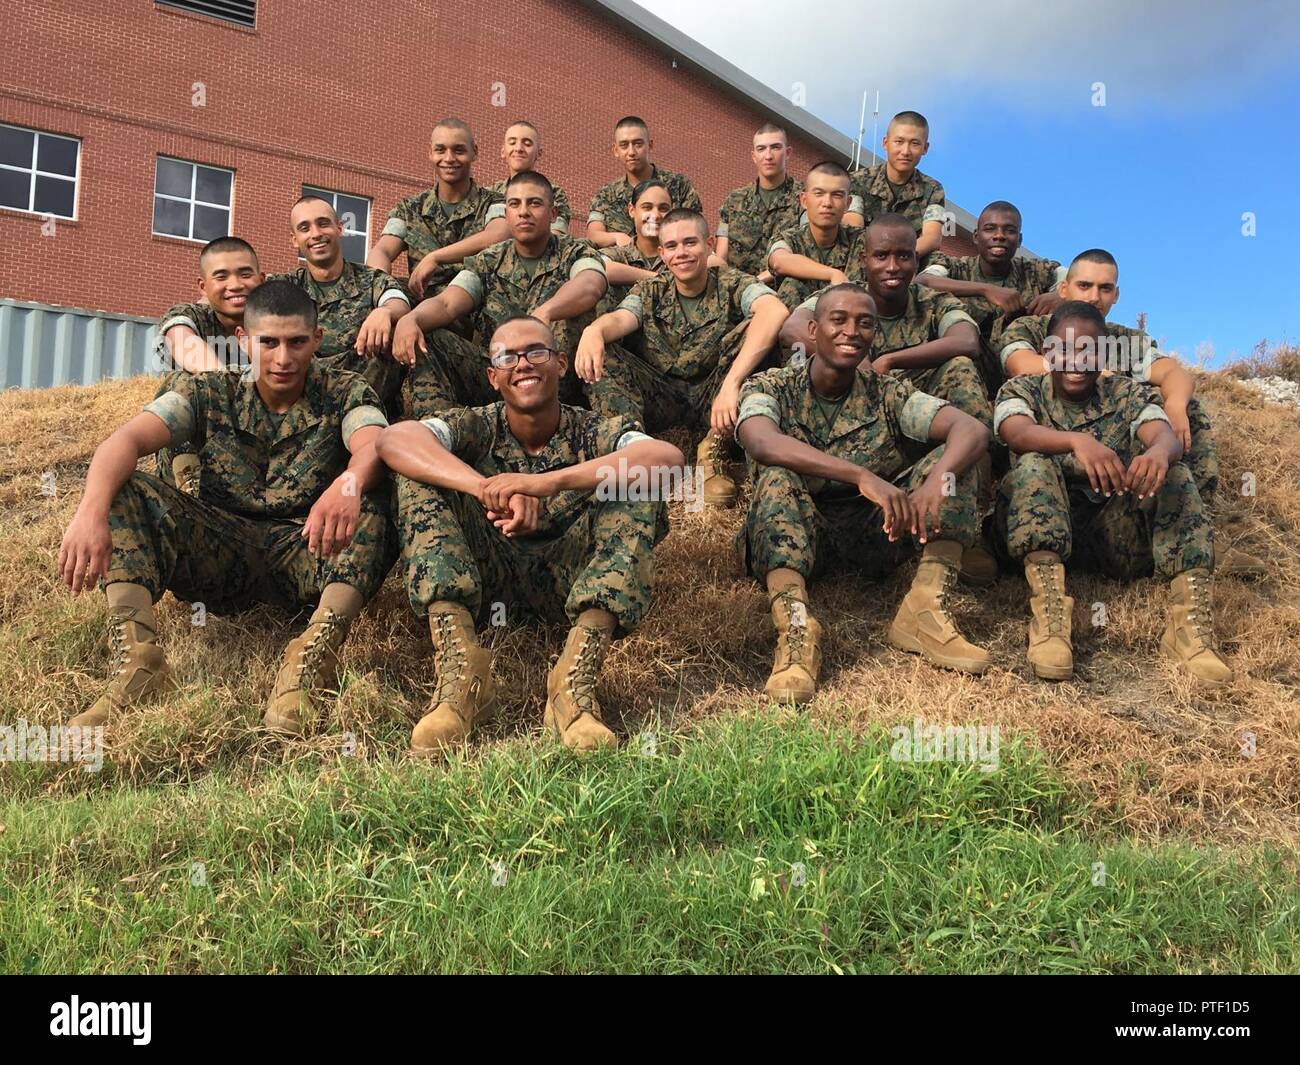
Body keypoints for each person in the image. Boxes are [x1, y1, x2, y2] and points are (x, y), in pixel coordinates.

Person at [57, 281, 396, 735]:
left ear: (316, 340)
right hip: (222, 551)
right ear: (243, 341)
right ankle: (140, 665)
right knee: (121, 488)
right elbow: (128, 440)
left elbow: (373, 442)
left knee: (375, 493)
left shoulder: (344, 391)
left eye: (297, 342)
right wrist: (90, 511)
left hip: (309, 551)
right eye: (268, 342)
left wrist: (349, 484)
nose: (282, 358)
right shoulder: (211, 393)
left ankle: (310, 658)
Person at [377, 315, 683, 753]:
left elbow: (666, 459)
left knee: (636, 482)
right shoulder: (475, 426)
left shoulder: (595, 430)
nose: (522, 364)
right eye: (507, 356)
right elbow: (395, 441)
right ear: (492, 375)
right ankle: (462, 678)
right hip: (484, 578)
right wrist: (484, 487)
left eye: (536, 352)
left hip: (571, 578)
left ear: (560, 364)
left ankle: (573, 687)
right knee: (417, 477)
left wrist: (547, 483)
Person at [736, 283, 994, 699]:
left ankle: (923, 608)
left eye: (865, 323)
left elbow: (972, 428)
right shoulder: (771, 386)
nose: (852, 331)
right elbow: (760, 440)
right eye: (839, 320)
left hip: (879, 533)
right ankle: (796, 630)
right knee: (776, 474)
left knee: (952, 468)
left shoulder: (887, 393)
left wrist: (933, 481)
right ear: (814, 330)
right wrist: (861, 475)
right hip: (801, 535)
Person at [993, 301, 1232, 685]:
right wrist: (1076, 442)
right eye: (1063, 348)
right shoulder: (1021, 389)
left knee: (1175, 472)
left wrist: (1158, 451)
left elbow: (1161, 432)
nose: (1074, 359)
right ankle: (1051, 626)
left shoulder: (1123, 392)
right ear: (1046, 352)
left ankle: (1189, 630)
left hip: (1111, 535)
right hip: (1036, 530)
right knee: (1034, 463)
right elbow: (1015, 432)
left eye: (1087, 348)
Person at [577, 208, 789, 507]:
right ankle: (634, 450)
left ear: (709, 244)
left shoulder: (731, 283)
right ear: (662, 253)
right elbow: (623, 318)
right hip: (661, 397)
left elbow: (774, 310)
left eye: (690, 242)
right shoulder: (652, 289)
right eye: (673, 246)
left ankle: (713, 450)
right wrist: (594, 330)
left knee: (762, 336)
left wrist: (732, 384)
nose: (682, 253)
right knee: (605, 353)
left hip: (715, 399)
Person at [392, 171, 609, 414]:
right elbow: (447, 304)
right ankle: (436, 433)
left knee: (599, 341)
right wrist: (411, 319)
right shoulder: (489, 260)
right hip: (501, 379)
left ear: (553, 214)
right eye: (514, 204)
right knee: (428, 338)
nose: (523, 211)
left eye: (534, 203)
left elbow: (591, 283)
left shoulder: (576, 252)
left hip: (558, 380)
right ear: (506, 215)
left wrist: (545, 313)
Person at [267, 195, 410, 413]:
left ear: (340, 229)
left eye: (323, 223)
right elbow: (227, 301)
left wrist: (384, 312)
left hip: (366, 404)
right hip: (304, 407)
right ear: (295, 239)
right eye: (305, 228)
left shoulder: (370, 280)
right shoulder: (285, 286)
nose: (316, 234)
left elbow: (398, 302)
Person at [153, 237, 264, 494]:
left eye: (245, 274)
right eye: (221, 277)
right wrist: (233, 390)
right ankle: (190, 486)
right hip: (206, 439)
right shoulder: (192, 316)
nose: (235, 285)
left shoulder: (276, 320)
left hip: (260, 439)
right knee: (183, 384)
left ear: (262, 279)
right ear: (203, 286)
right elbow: (182, 342)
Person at [916, 200, 1062, 390]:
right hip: (965, 376)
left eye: (1009, 230)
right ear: (976, 236)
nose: (999, 236)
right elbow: (923, 281)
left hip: (1022, 374)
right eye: (990, 229)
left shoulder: (1038, 272)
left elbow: (1081, 277)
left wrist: (1061, 295)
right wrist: (985, 289)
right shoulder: (955, 267)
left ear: (1019, 240)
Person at [367, 118, 506, 299]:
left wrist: (435, 257)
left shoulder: (494, 203)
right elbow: (381, 251)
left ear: (474, 152)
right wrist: (384, 291)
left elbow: (498, 235)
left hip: (475, 308)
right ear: (430, 153)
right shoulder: (410, 209)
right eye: (440, 150)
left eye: (459, 150)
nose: (449, 159)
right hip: (420, 305)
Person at [844, 110, 947, 264]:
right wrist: (882, 259)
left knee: (938, 263)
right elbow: (853, 228)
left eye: (915, 143)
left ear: (925, 148)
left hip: (909, 259)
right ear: (885, 143)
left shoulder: (932, 189)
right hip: (866, 257)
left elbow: (932, 238)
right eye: (899, 142)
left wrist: (897, 259)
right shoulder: (858, 181)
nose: (905, 151)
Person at [585, 116, 701, 249]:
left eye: (638, 144)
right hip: (621, 265)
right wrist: (617, 237)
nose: (631, 152)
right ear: (615, 150)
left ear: (650, 145)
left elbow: (695, 230)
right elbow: (593, 235)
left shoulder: (679, 185)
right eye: (624, 145)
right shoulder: (606, 194)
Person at [767, 160, 867, 310]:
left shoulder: (863, 241)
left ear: (848, 203)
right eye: (819, 193)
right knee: (792, 285)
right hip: (795, 326)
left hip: (849, 323)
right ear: (804, 200)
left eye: (837, 195)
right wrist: (833, 274)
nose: (827, 203)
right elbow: (779, 261)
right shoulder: (789, 239)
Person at [484, 120, 573, 235]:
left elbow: (556, 236)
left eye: (527, 144)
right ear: (503, 151)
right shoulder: (490, 193)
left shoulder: (553, 192)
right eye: (512, 143)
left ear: (538, 153)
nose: (519, 149)